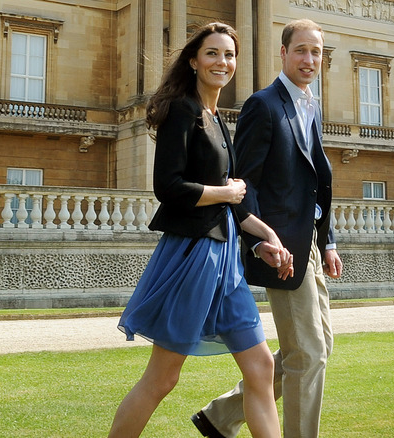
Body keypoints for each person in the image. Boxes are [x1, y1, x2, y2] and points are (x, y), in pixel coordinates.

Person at [108, 22, 292, 438]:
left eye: (229, 55)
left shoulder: (216, 118)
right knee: (163, 378)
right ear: (194, 60)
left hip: (226, 262)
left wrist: (266, 237)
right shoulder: (183, 110)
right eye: (212, 53)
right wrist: (225, 193)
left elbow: (232, 203)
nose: (222, 62)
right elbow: (168, 188)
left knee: (261, 367)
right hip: (193, 258)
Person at [191, 18, 343, 438]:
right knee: (308, 354)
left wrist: (327, 240)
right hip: (282, 249)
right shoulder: (264, 104)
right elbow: (245, 182)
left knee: (317, 348)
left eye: (316, 52)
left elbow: (316, 181)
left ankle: (219, 417)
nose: (309, 59)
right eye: (301, 50)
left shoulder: (312, 104)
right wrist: (259, 242)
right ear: (283, 53)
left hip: (309, 244)